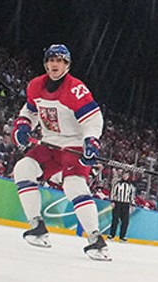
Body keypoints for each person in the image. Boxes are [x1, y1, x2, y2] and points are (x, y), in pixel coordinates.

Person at [12, 44, 110, 261]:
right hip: (49, 144)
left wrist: (91, 141)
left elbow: (93, 119)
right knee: (23, 169)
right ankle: (36, 226)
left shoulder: (76, 89)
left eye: (59, 60)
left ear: (67, 64)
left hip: (73, 145)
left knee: (74, 185)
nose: (53, 64)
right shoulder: (35, 85)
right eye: (50, 60)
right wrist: (23, 124)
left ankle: (96, 239)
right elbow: (29, 110)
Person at [108, 172, 137, 242]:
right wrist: (112, 201)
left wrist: (132, 204)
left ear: (128, 176)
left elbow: (132, 196)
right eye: (124, 174)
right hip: (117, 203)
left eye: (126, 175)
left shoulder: (130, 186)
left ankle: (122, 236)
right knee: (115, 220)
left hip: (126, 204)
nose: (125, 176)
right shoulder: (117, 184)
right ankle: (112, 235)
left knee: (125, 221)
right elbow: (113, 193)